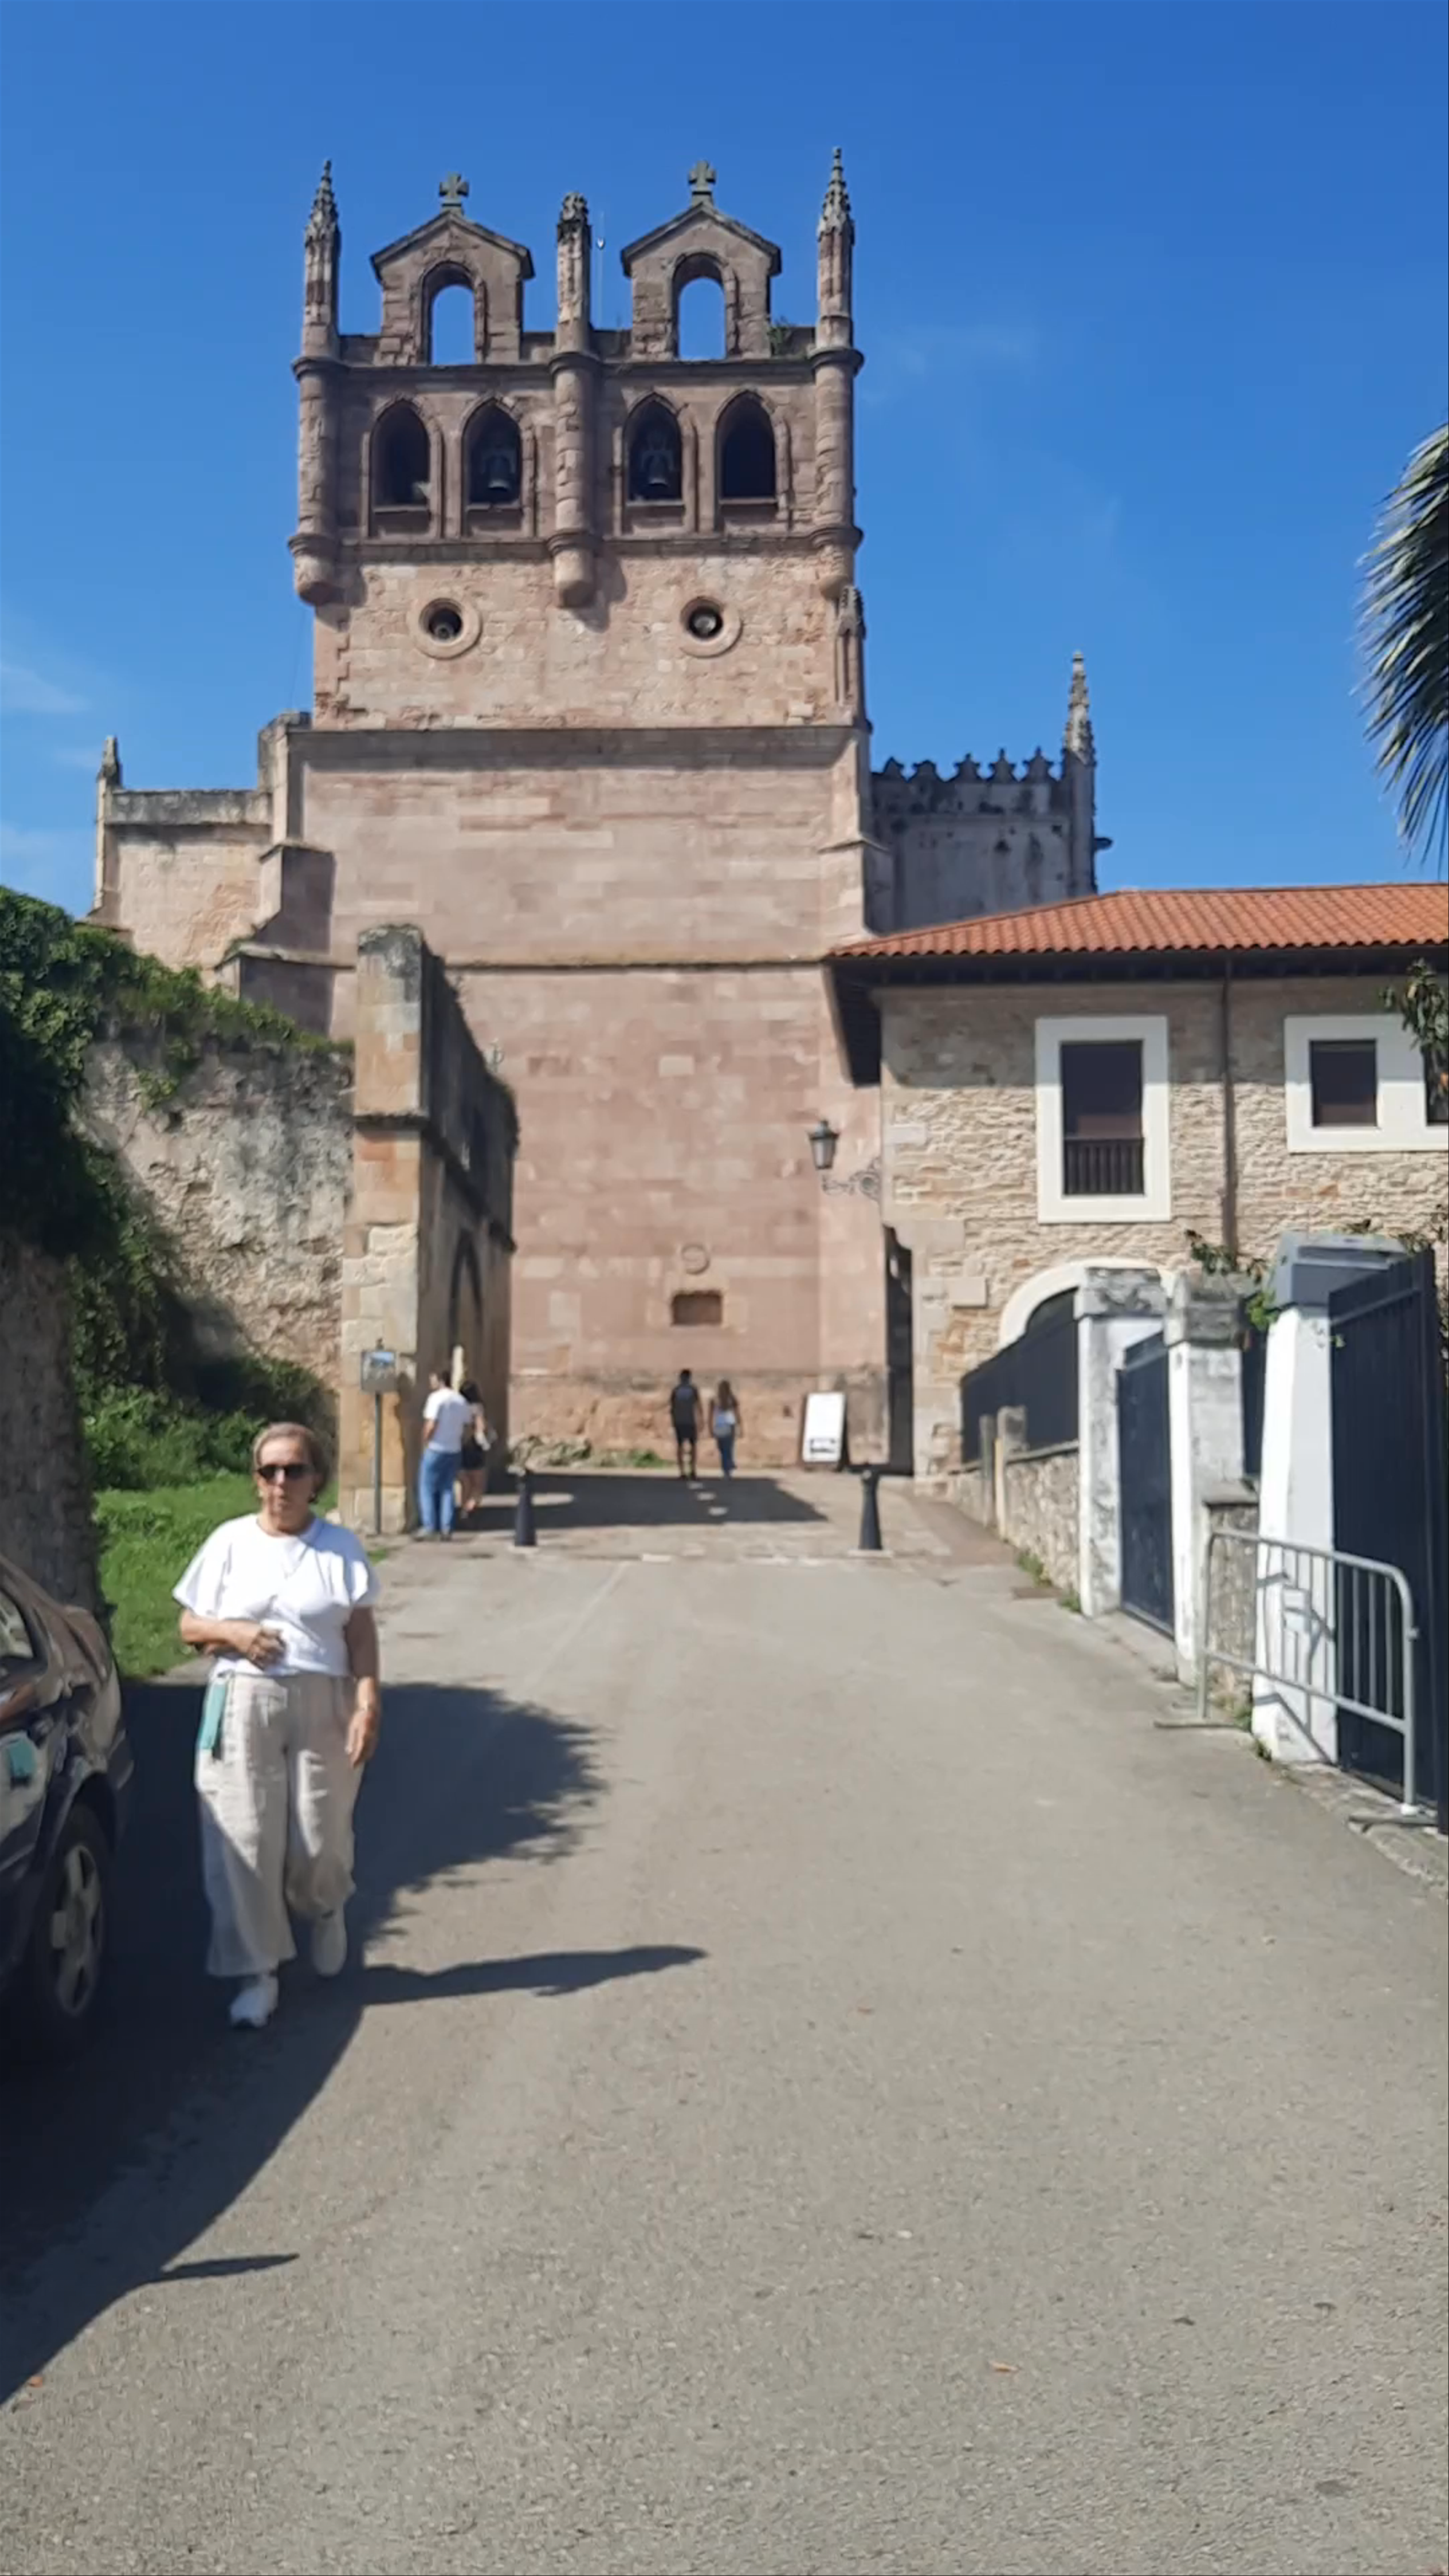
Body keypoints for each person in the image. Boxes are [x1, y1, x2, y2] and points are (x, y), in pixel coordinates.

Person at [173, 1422, 381, 2030]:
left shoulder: (341, 1548)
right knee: (243, 1834)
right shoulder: (230, 1542)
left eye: (294, 1470)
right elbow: (190, 1625)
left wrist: (369, 1701)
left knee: (320, 1831)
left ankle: (326, 1904)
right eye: (269, 1471)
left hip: (326, 1699)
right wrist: (235, 1632)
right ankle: (256, 1972)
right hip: (241, 1697)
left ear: (317, 1478)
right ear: (256, 1478)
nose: (280, 1483)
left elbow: (361, 1634)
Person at [419, 1368, 472, 1537]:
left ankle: (429, 1526)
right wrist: (460, 1440)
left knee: (426, 1487)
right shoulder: (460, 1400)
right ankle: (447, 1527)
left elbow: (431, 1424)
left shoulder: (436, 1399)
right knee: (448, 1488)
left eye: (433, 1380)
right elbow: (468, 1426)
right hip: (454, 1449)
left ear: (440, 1381)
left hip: (436, 1448)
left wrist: (425, 1441)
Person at [457, 1380, 490, 1521]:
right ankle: (471, 1506)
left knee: (465, 1482)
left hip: (460, 1446)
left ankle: (463, 1508)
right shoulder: (477, 1408)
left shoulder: (457, 1407)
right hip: (474, 1446)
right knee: (479, 1483)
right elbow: (481, 1426)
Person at [669, 1369, 701, 1479]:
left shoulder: (677, 1390)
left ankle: (684, 1471)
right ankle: (690, 1470)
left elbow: (672, 1408)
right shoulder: (692, 1390)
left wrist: (673, 1421)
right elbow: (698, 1406)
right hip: (689, 1421)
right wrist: (700, 1419)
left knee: (682, 1446)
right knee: (690, 1447)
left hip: (682, 1421)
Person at [708, 1380, 741, 1478]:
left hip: (721, 1425)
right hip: (729, 1424)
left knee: (723, 1448)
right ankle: (728, 1465)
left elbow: (710, 1416)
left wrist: (710, 1428)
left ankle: (727, 1467)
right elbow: (737, 1414)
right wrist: (740, 1426)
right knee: (727, 1447)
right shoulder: (727, 1399)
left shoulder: (717, 1400)